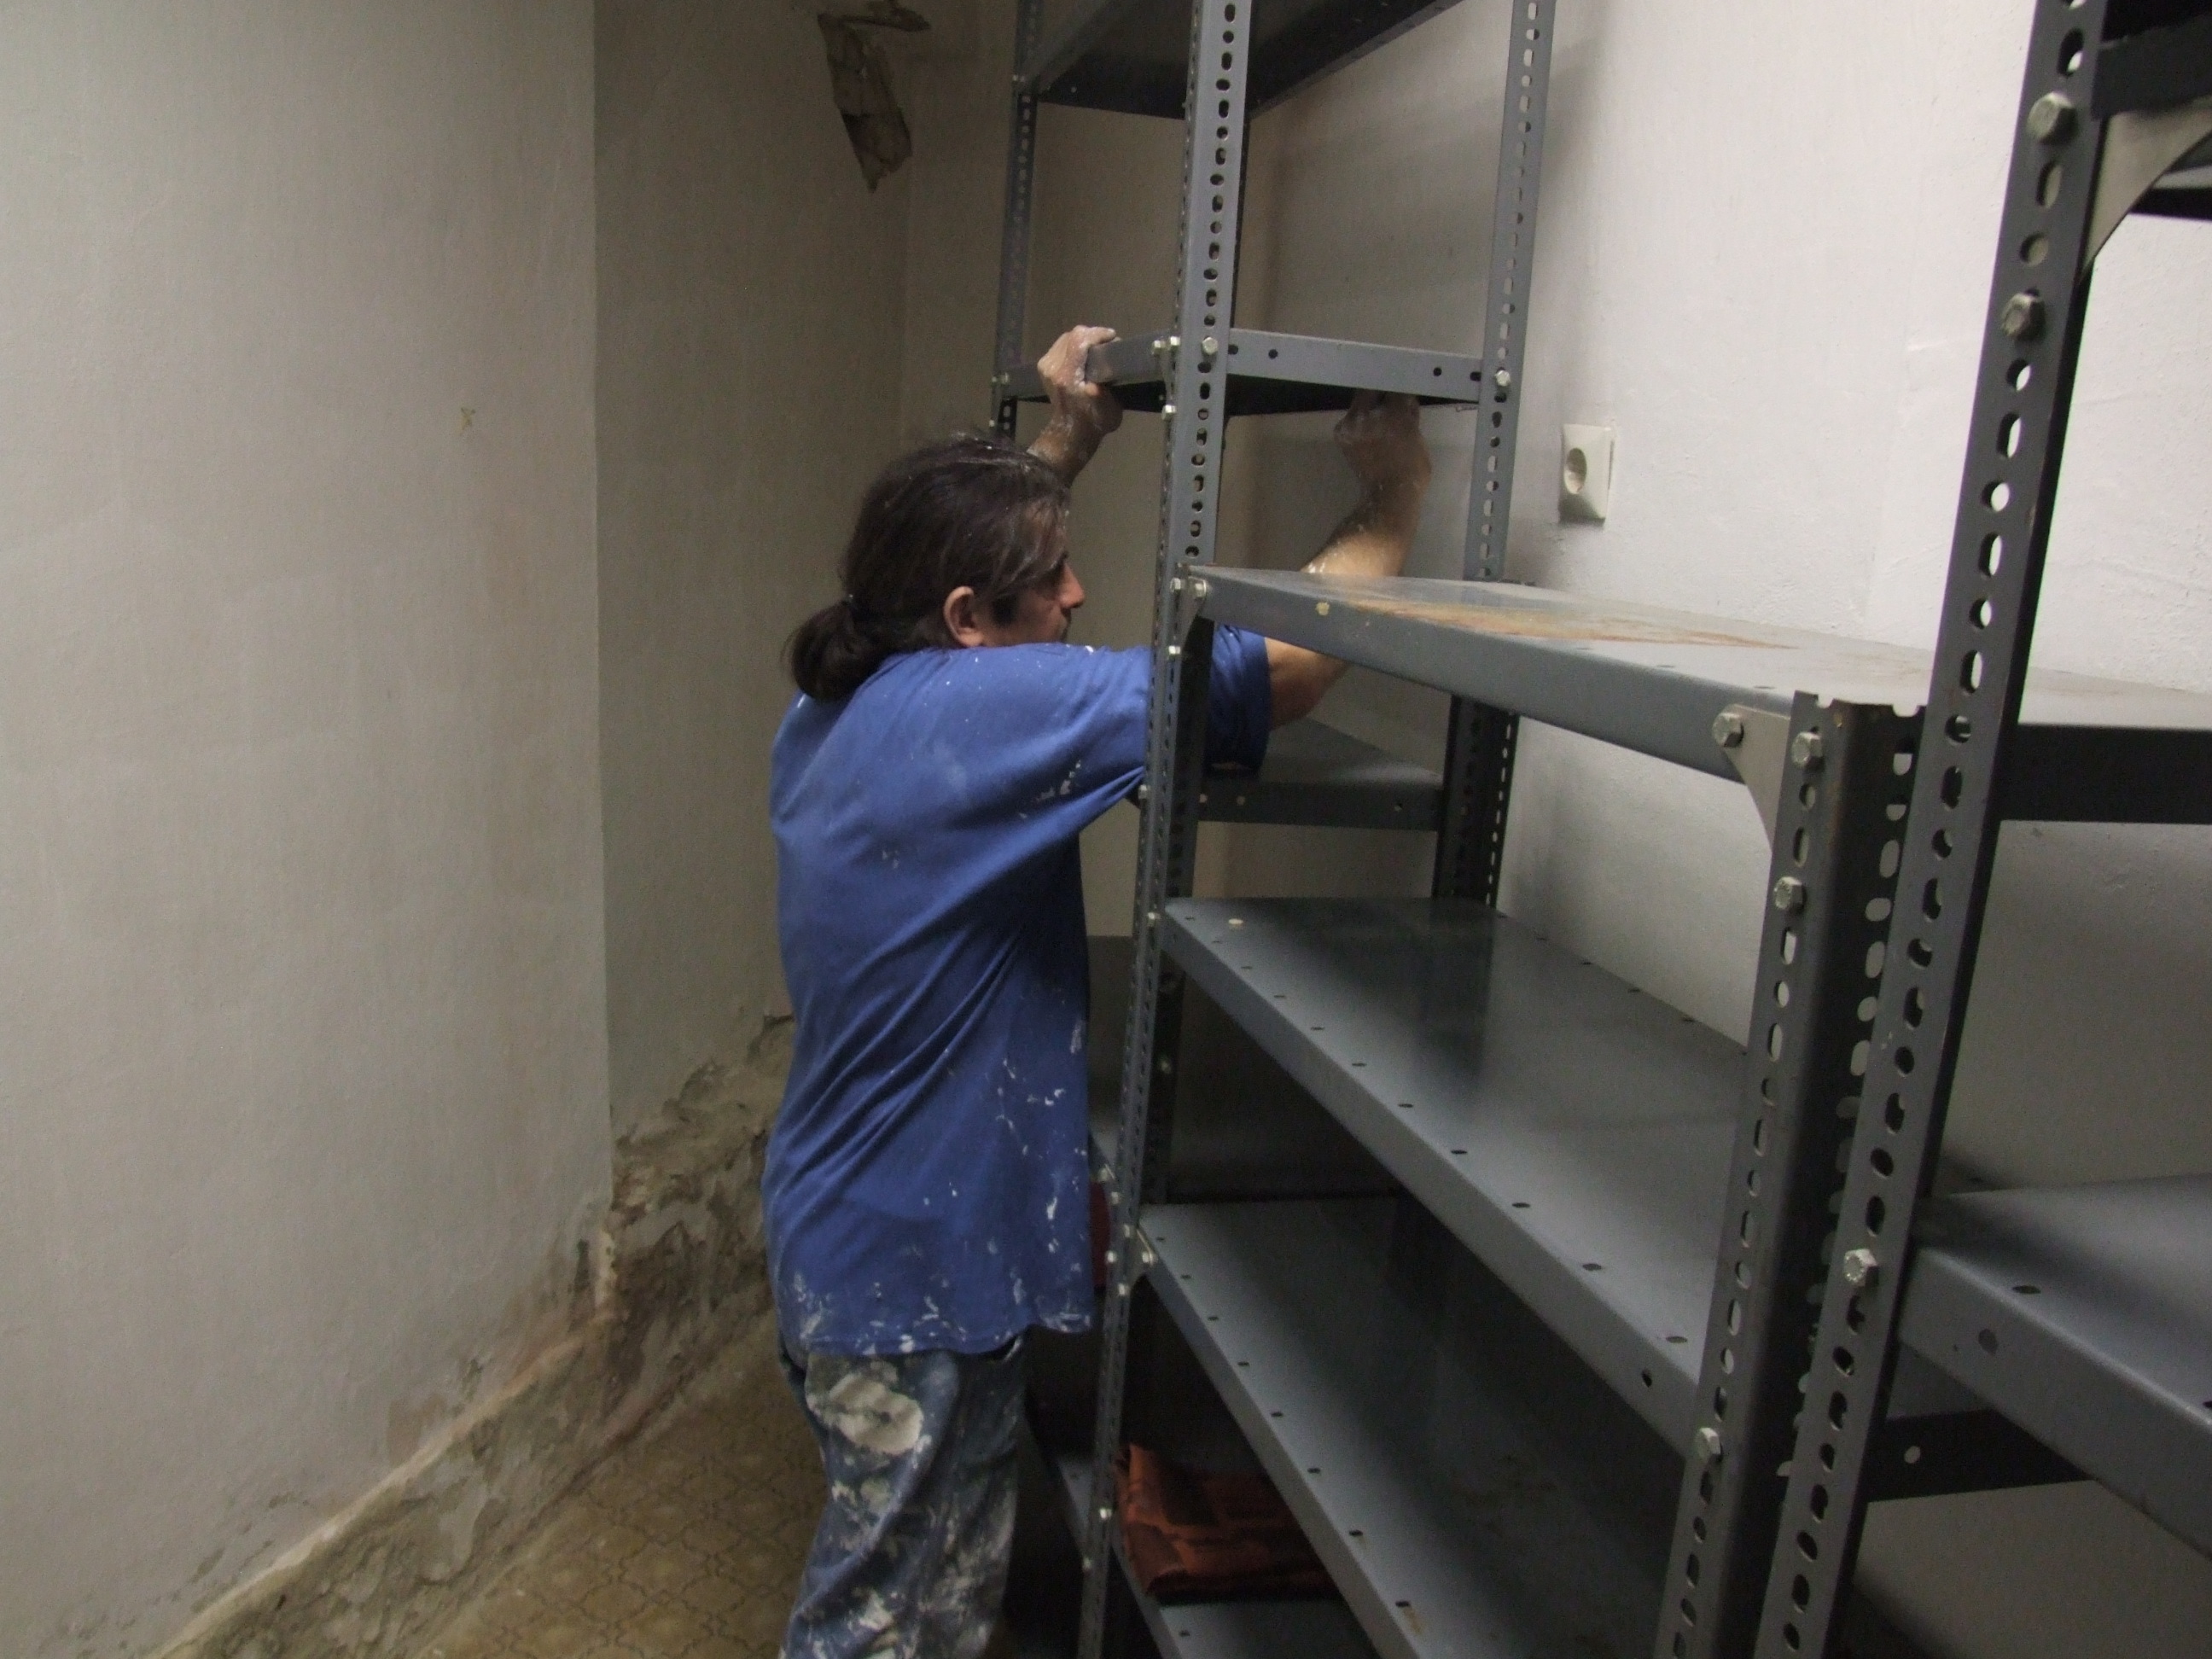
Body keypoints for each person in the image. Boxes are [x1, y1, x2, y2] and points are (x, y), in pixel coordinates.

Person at [762, 324, 1431, 1659]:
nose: (1078, 594)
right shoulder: (984, 713)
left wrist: (1064, 442)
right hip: (910, 1273)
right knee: (871, 1623)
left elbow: (973, 585)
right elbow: (1282, 672)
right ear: (969, 620)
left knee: (942, 1596)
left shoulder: (847, 696)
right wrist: (1394, 496)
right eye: (1050, 576)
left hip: (870, 1234)